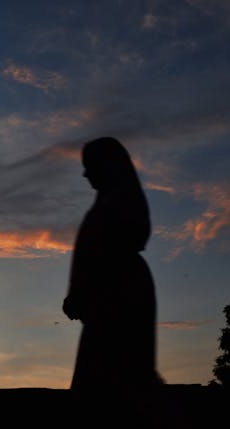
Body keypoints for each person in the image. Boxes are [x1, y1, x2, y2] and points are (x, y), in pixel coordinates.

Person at [63, 137, 163, 399]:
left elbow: (102, 254)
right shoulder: (107, 205)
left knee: (117, 381)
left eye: (90, 165)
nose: (85, 174)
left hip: (118, 296)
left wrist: (81, 291)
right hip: (108, 296)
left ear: (107, 165)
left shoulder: (116, 208)